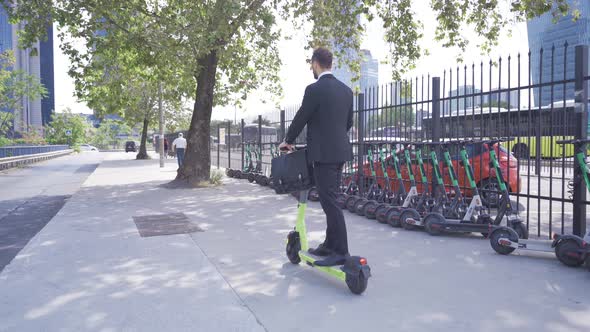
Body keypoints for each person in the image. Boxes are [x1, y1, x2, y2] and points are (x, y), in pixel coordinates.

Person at [279, 47, 354, 267]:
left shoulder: (314, 89)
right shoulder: (346, 91)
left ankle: (341, 251)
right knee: (329, 197)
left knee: (329, 200)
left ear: (315, 63)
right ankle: (330, 244)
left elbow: (302, 117)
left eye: (311, 65)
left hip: (323, 154)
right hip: (340, 151)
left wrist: (288, 140)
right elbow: (347, 123)